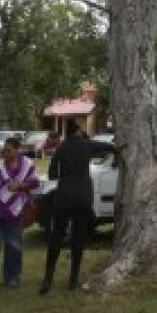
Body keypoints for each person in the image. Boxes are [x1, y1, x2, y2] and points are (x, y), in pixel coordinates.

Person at [40, 121, 117, 293]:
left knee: (56, 237)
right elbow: (108, 146)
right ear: (78, 131)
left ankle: (47, 280)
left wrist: (65, 176)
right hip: (82, 197)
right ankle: (73, 280)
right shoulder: (86, 145)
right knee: (78, 238)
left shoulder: (60, 148)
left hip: (64, 197)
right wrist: (118, 150)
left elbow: (52, 175)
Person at [0, 136, 40, 293]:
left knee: (14, 246)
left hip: (16, 212)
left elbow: (35, 183)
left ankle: (12, 278)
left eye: (9, 150)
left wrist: (21, 185)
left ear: (18, 150)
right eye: (4, 150)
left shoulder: (27, 165)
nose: (5, 153)